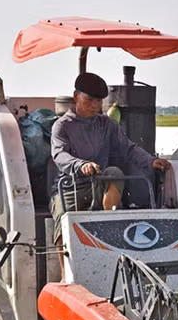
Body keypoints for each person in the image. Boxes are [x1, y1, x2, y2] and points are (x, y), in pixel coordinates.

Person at [50, 72, 171, 278]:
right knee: (63, 218)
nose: (95, 106)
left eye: (99, 101)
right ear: (76, 96)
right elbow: (59, 155)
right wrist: (81, 165)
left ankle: (109, 226)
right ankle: (65, 275)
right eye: (90, 100)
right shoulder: (62, 126)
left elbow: (129, 149)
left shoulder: (107, 125)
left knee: (115, 172)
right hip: (71, 187)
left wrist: (150, 161)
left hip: (100, 183)